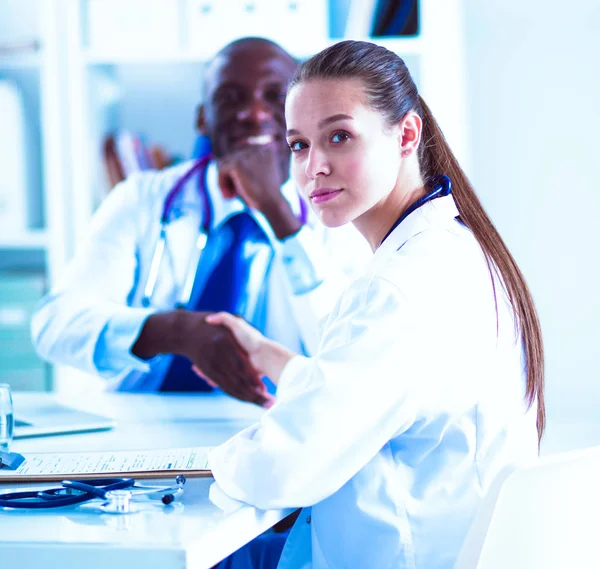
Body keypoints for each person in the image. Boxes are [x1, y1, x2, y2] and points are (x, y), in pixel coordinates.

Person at [203, 40, 545, 569]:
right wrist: (276, 361)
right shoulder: (455, 248)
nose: (314, 167)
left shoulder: (398, 288)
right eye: (298, 145)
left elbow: (286, 466)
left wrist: (195, 464)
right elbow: (375, 393)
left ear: (407, 134)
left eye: (339, 137)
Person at [31, 37, 368, 404]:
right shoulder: (143, 198)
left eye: (276, 98)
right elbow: (55, 325)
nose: (254, 114)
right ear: (203, 118)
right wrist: (173, 330)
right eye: (230, 99)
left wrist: (276, 210)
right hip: (148, 423)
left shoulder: (341, 208)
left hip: (279, 425)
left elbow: (349, 354)